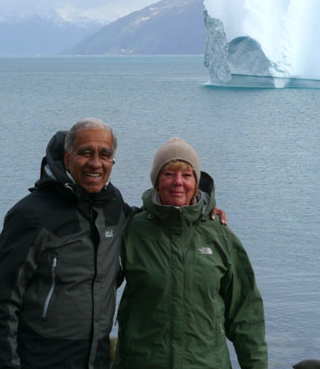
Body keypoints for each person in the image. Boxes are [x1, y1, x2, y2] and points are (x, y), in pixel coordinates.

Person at [0, 118, 131, 369]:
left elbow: (149, 222)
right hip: (43, 357)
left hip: (97, 355)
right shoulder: (32, 215)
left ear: (112, 161)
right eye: (85, 153)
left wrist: (203, 210)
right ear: (67, 158)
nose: (95, 163)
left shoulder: (112, 204)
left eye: (104, 154)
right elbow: (1, 304)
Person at [113, 137, 267, 369]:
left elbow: (246, 313)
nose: (178, 182)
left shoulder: (219, 234)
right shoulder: (133, 230)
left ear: (196, 182)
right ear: (156, 181)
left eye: (187, 175)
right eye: (168, 174)